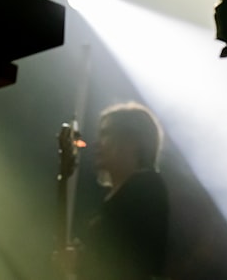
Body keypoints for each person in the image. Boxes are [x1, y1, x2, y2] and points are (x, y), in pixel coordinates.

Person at [65, 101, 170, 280]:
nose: (97, 143)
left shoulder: (145, 190)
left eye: (106, 133)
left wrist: (80, 261)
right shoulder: (135, 190)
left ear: (133, 141)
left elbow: (126, 262)